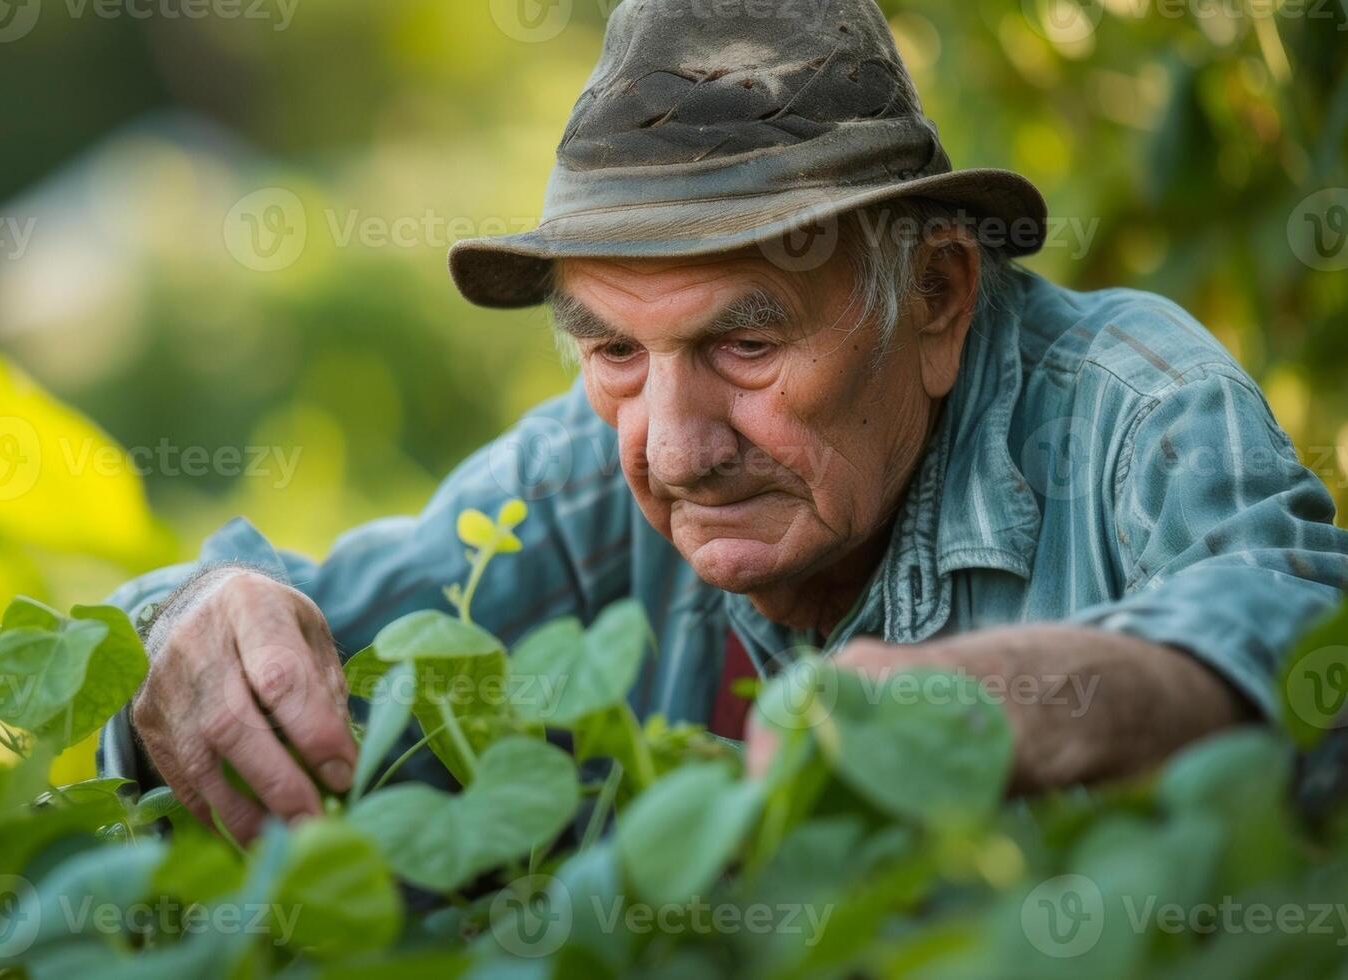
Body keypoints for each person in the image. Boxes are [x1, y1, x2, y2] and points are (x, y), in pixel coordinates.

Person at [100, 0, 1348, 843]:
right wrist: (194, 626)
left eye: (746, 344)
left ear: (938, 297)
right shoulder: (589, 478)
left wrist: (1015, 700)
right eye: (614, 349)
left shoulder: (1127, 400)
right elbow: (256, 644)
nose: (678, 445)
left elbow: (1309, 630)